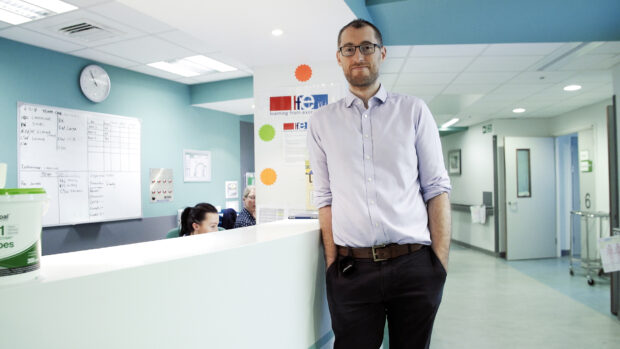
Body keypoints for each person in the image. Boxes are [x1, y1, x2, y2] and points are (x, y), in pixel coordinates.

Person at [306, 19, 452, 349]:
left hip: (414, 266)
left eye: (367, 47)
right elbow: (324, 196)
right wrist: (332, 265)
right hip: (351, 270)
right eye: (349, 48)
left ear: (382, 53)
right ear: (340, 57)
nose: (358, 55)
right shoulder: (321, 122)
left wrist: (438, 264)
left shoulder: (413, 111)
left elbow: (436, 188)